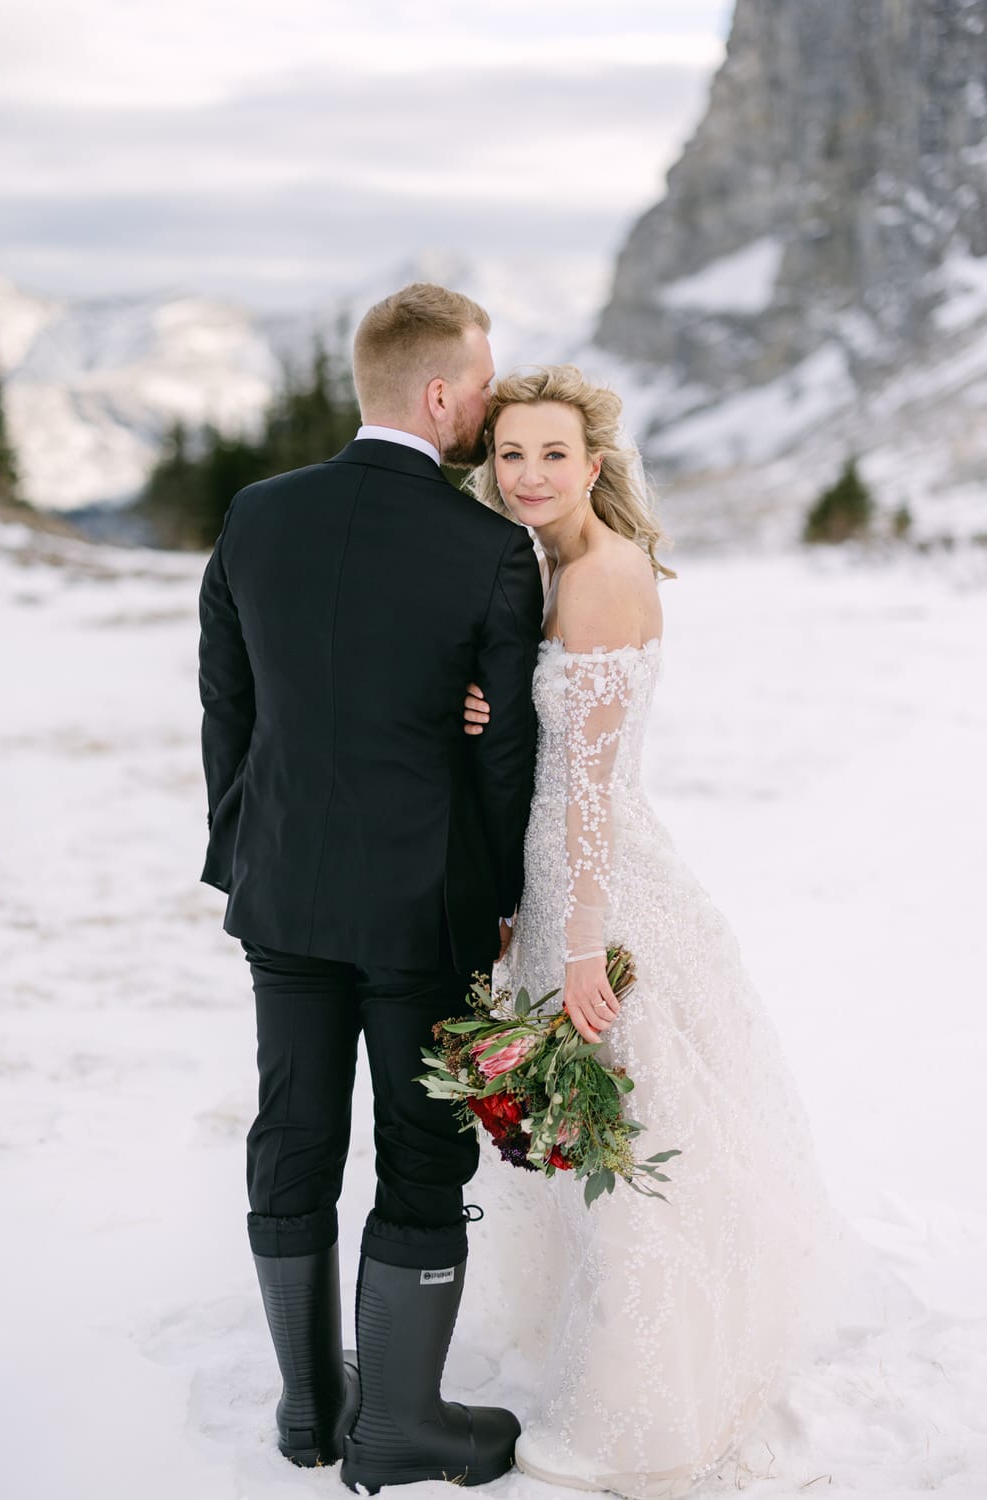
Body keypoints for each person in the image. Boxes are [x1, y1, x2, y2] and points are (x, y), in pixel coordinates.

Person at [461, 365, 850, 1498]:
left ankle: (637, 1417)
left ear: (592, 464)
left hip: (602, 882)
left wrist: (580, 944)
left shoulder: (601, 576)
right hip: (555, 874)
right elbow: (547, 734)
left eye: (550, 455)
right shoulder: (552, 564)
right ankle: (605, 1352)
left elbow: (585, 788)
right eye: (510, 454)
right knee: (598, 1134)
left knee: (628, 1134)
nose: (528, 475)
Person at [197, 283, 543, 1493]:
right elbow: (502, 749)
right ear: (441, 394)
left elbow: (226, 712)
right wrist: (504, 897)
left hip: (282, 888)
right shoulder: (492, 548)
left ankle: (308, 1411)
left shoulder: (254, 516)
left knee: (290, 1137)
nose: (491, 400)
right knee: (418, 1150)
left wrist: (242, 851)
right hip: (421, 905)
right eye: (484, 382)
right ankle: (396, 1425)